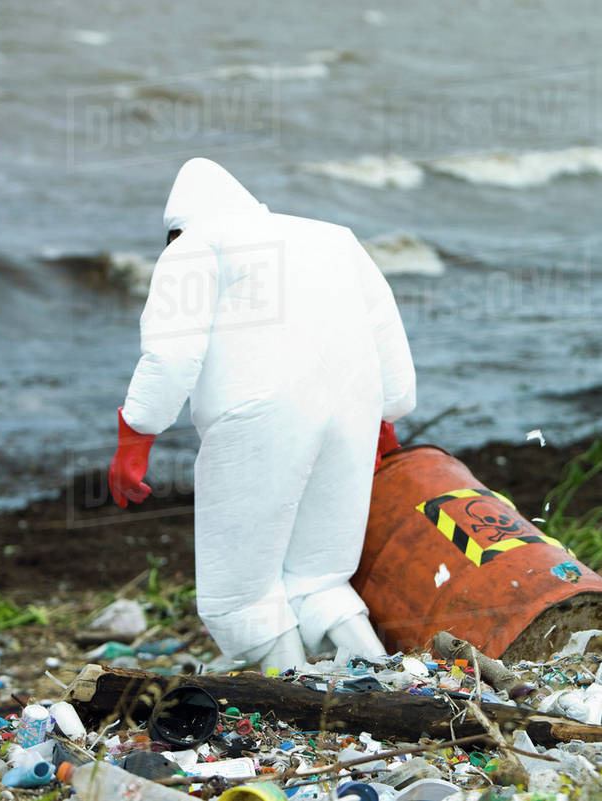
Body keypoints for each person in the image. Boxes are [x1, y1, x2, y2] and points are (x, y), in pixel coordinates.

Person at [107, 158, 416, 672]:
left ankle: (293, 699)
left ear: (180, 224)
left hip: (259, 419)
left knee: (241, 597)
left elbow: (172, 353)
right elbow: (387, 335)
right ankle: (378, 681)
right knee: (318, 578)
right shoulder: (336, 238)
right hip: (355, 411)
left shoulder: (196, 244)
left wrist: (136, 437)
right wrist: (386, 418)